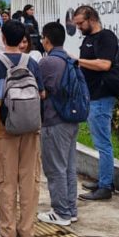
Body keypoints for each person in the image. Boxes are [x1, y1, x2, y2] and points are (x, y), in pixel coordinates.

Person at [0, 20, 44, 237]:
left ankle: (7, 230)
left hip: (4, 127)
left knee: (6, 180)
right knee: (29, 178)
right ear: (23, 40)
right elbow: (42, 94)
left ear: (3, 39)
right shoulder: (31, 63)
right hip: (31, 127)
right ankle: (27, 230)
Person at [74, 5, 119, 201]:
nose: (78, 27)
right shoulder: (88, 39)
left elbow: (105, 64)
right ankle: (103, 179)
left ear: (91, 18)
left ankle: (106, 186)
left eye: (80, 23)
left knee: (103, 144)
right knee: (99, 142)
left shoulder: (106, 37)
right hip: (92, 96)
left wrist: (78, 61)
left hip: (102, 97)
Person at [36, 22, 77, 226]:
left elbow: (39, 90)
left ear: (47, 39)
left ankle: (61, 212)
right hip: (71, 119)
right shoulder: (69, 59)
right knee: (69, 166)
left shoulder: (47, 62)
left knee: (55, 168)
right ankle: (71, 209)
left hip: (54, 120)